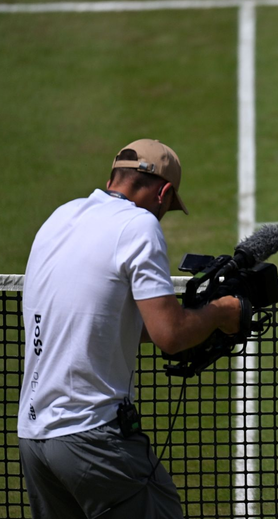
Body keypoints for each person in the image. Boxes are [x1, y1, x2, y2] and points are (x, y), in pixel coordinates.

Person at [17, 139, 247, 519]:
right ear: (165, 192)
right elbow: (170, 337)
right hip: (92, 438)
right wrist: (221, 311)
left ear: (113, 178)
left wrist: (190, 313)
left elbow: (101, 318)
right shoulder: (138, 225)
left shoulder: (61, 216)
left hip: (34, 440)